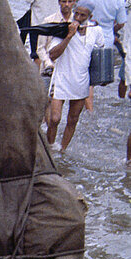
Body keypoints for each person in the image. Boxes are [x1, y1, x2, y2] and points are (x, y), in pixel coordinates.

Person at [47, 1, 105, 152]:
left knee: (72, 119)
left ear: (89, 17)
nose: (78, 17)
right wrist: (69, 36)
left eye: (82, 15)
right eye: (76, 13)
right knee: (54, 119)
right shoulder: (63, 29)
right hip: (61, 79)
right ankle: (50, 147)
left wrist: (101, 78)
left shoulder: (96, 31)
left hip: (80, 81)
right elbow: (52, 55)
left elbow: (100, 52)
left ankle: (62, 150)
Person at [37, 0, 76, 75]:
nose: (67, 4)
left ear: (74, 2)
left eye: (70, 1)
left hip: (69, 70)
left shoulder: (76, 23)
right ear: (59, 2)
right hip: (49, 69)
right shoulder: (48, 21)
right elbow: (40, 48)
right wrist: (48, 63)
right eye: (64, 2)